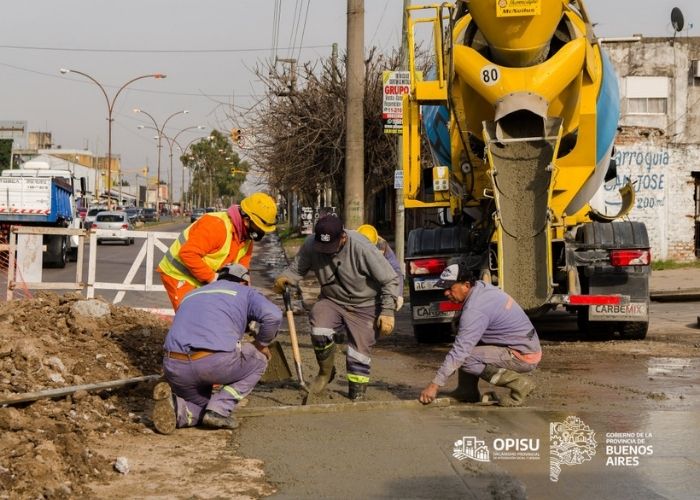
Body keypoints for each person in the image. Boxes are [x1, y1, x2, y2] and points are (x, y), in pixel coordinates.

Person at [273, 215, 400, 400]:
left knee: (358, 355)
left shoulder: (362, 247)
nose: (326, 252)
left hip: (365, 305)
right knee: (319, 328)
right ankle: (325, 373)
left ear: (343, 237)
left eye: (330, 247)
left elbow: (390, 279)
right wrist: (285, 278)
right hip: (332, 300)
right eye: (322, 247)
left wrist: (388, 311)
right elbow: (296, 270)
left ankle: (357, 394)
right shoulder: (311, 245)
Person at [152, 264, 282, 434]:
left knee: (201, 405)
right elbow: (273, 316)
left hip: (175, 366)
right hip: (212, 363)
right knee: (259, 359)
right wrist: (261, 344)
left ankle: (178, 411)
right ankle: (220, 409)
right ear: (244, 282)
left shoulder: (192, 294)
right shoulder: (246, 292)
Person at [419, 261, 541, 407]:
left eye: (450, 288)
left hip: (523, 355)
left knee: (464, 358)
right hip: (523, 346)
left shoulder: (475, 310)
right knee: (464, 339)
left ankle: (520, 384)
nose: (446, 293)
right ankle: (467, 391)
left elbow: (460, 351)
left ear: (466, 285)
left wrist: (434, 385)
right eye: (445, 289)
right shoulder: (481, 288)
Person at [158, 192, 277, 310]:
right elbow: (188, 254)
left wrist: (245, 303)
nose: (261, 233)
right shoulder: (216, 226)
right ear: (246, 220)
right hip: (179, 274)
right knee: (192, 318)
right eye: (259, 228)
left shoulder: (246, 239)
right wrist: (212, 278)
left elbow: (242, 273)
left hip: (203, 278)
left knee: (213, 316)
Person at [357, 224, 404, 310]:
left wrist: (399, 294)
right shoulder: (350, 246)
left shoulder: (382, 245)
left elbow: (396, 270)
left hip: (378, 288)